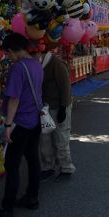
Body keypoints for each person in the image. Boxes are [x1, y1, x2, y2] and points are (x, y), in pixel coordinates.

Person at [0, 33, 43, 217]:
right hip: (35, 120)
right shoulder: (36, 63)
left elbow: (14, 99)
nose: (8, 56)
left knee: (12, 165)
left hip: (20, 123)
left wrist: (7, 125)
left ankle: (7, 211)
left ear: (12, 50)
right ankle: (32, 197)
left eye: (8, 53)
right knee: (33, 159)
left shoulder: (18, 68)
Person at [39, 49, 75, 181]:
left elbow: (66, 87)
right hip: (45, 109)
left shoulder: (57, 64)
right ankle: (48, 167)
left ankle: (66, 168)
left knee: (61, 138)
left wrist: (63, 107)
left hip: (59, 106)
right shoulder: (38, 65)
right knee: (45, 140)